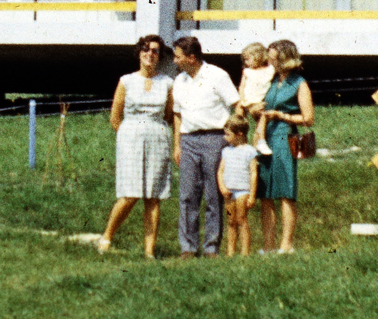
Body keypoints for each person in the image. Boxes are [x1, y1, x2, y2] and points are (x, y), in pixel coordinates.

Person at [96, 35, 173, 258]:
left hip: (157, 138)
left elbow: (168, 115)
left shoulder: (167, 83)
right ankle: (107, 236)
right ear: (139, 53)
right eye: (146, 50)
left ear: (160, 56)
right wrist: (130, 136)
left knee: (153, 196)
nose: (150, 54)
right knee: (130, 194)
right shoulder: (126, 81)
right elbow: (115, 117)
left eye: (156, 51)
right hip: (130, 139)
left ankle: (149, 251)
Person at [170, 35, 240, 259]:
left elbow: (237, 106)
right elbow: (177, 115)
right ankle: (188, 247)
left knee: (213, 194)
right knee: (188, 194)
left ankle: (211, 247)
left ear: (191, 58)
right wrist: (177, 145)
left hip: (214, 139)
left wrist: (235, 139)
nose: (174, 61)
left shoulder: (217, 75)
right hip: (189, 140)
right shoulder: (179, 81)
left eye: (177, 56)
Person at [255, 38, 313, 254]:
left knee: (285, 191)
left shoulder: (299, 83)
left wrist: (281, 115)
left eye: (274, 58)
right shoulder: (273, 81)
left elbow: (308, 118)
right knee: (265, 192)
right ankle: (268, 245)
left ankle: (286, 244)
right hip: (266, 138)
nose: (270, 61)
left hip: (285, 137)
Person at [217, 114, 259, 257]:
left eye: (228, 134)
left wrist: (252, 195)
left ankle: (245, 252)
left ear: (239, 134)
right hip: (229, 194)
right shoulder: (226, 151)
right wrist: (222, 187)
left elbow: (253, 174)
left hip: (242, 192)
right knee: (230, 220)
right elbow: (220, 171)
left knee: (241, 219)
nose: (225, 137)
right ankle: (230, 252)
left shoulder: (249, 151)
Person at [237, 41, 274, 153]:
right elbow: (242, 86)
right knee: (242, 120)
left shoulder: (269, 70)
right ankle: (244, 142)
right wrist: (242, 98)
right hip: (249, 100)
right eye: (245, 60)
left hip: (261, 100)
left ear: (258, 57)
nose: (246, 62)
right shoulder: (247, 72)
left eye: (248, 59)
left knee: (261, 121)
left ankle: (258, 144)